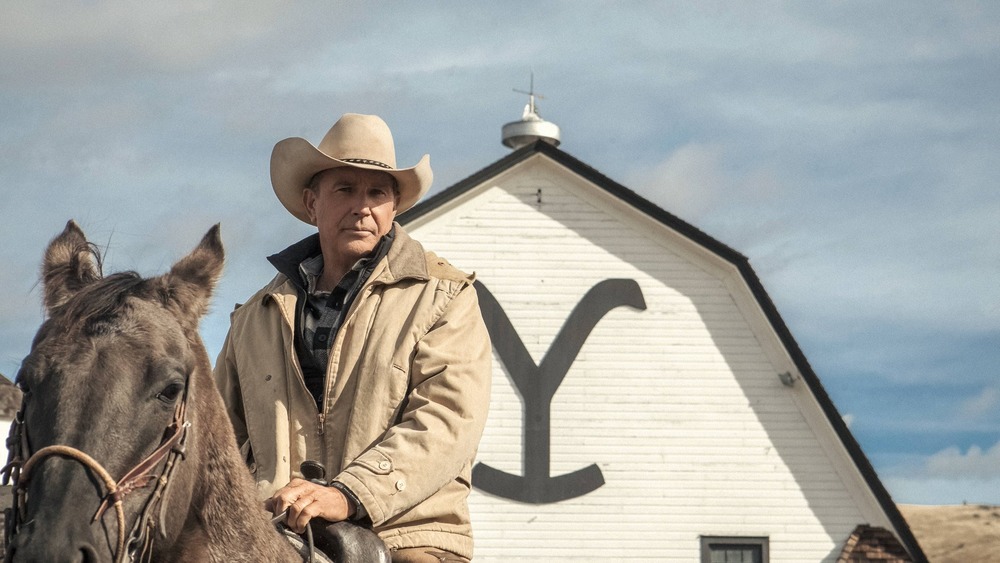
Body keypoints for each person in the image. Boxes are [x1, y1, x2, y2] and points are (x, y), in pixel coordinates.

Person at [214, 113, 492, 562]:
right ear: (312, 203)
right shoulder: (253, 319)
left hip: (408, 536)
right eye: (345, 189)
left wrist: (348, 494)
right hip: (272, 534)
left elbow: (447, 422)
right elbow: (216, 438)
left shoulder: (444, 298)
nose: (362, 206)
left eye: (377, 192)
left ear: (393, 207)